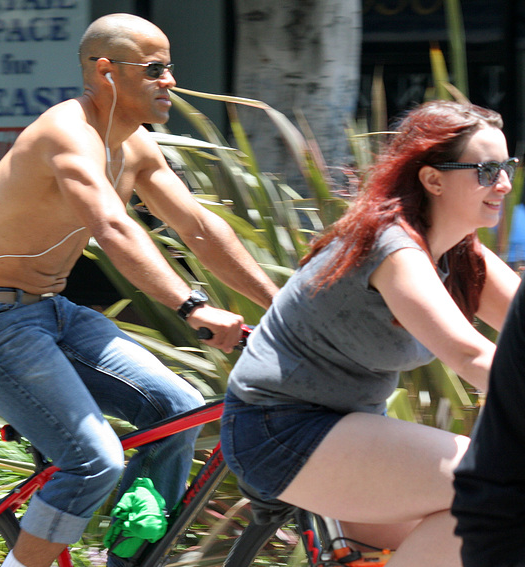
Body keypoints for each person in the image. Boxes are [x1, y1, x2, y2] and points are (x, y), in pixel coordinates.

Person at [0, 13, 278, 567]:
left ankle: (128, 558)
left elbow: (198, 229)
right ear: (106, 71)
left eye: (171, 68)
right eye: (156, 68)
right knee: (93, 462)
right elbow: (112, 227)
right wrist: (191, 306)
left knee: (177, 411)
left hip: (51, 314)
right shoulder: (65, 132)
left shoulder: (136, 146)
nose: (170, 81)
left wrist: (281, 305)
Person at [220, 100, 521, 566]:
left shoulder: (460, 254)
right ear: (433, 179)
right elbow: (470, 356)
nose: (502, 183)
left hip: (349, 431)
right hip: (280, 430)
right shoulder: (393, 247)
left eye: (507, 167)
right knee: (498, 490)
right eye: (485, 170)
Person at [452, 276, 525, 566]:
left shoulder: (466, 253)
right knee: (455, 485)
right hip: (310, 425)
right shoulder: (398, 250)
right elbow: (469, 355)